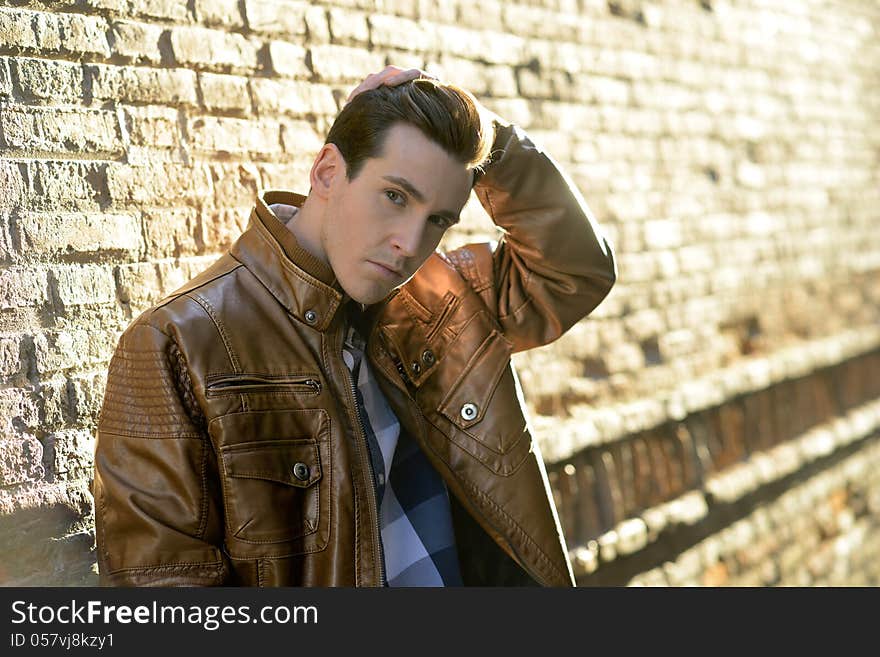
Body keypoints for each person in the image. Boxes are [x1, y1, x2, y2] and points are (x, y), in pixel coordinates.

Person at [92, 66, 617, 586]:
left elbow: (574, 271)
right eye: (395, 197)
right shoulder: (180, 342)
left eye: (437, 220)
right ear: (326, 172)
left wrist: (489, 132)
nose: (409, 244)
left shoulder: (443, 303)